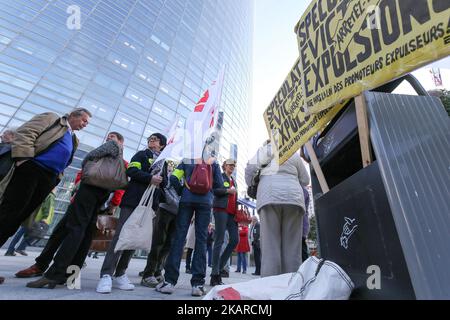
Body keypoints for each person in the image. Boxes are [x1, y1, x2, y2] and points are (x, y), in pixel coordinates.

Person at [15, 133, 127, 280]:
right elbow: (81, 176)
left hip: (94, 200)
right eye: (107, 136)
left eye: (112, 137)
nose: (108, 138)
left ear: (120, 142)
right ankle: (53, 269)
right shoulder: (107, 160)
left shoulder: (118, 159)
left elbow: (117, 185)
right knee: (63, 232)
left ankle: (58, 272)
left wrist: (113, 204)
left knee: (78, 233)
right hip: (85, 199)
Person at [0, 109, 90, 247]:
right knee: (11, 210)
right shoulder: (52, 119)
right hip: (32, 169)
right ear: (72, 115)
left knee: (22, 215)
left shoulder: (74, 139)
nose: (85, 125)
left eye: (87, 123)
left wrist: (56, 179)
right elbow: (26, 132)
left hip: (48, 179)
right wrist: (24, 160)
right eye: (84, 120)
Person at [96, 133, 167, 294]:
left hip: (149, 206)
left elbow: (165, 184)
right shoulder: (142, 154)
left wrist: (162, 181)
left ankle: (120, 273)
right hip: (133, 201)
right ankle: (106, 274)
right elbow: (132, 170)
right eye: (150, 139)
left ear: (162, 145)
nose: (151, 140)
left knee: (135, 238)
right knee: (121, 236)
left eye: (155, 139)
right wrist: (150, 178)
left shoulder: (164, 163)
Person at [156, 156, 223, 297]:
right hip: (205, 203)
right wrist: (208, 192)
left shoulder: (187, 159)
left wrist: (183, 191)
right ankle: (197, 285)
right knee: (201, 241)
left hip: (186, 200)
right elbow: (219, 185)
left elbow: (173, 178)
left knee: (179, 238)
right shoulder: (214, 162)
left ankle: (169, 282)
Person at [245, 140, 309, 277]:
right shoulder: (292, 153)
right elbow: (305, 180)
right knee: (292, 249)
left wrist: (252, 183)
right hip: (293, 199)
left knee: (270, 247)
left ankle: (270, 288)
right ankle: (291, 288)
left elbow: (249, 169)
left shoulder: (264, 150)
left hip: (269, 196)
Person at [140, 160, 180, 288]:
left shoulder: (188, 169)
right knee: (158, 242)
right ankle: (148, 274)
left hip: (179, 212)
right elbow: (164, 186)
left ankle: (157, 271)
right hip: (165, 208)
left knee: (168, 244)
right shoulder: (167, 165)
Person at [210, 159, 239, 286]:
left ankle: (219, 267)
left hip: (232, 214)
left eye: (233, 165)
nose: (232, 167)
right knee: (219, 241)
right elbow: (213, 190)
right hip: (221, 210)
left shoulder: (234, 181)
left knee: (234, 240)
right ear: (224, 166)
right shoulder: (220, 176)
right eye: (229, 165)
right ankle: (215, 275)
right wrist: (227, 191)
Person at [4, 189, 56, 256]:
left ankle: (19, 248)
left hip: (31, 217)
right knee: (28, 234)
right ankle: (11, 250)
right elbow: (47, 208)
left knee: (26, 233)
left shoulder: (44, 193)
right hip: (35, 219)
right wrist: (45, 217)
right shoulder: (50, 196)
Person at [302, 186, 310, 262]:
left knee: (302, 249)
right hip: (301, 224)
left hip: (300, 225)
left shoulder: (302, 190)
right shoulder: (304, 190)